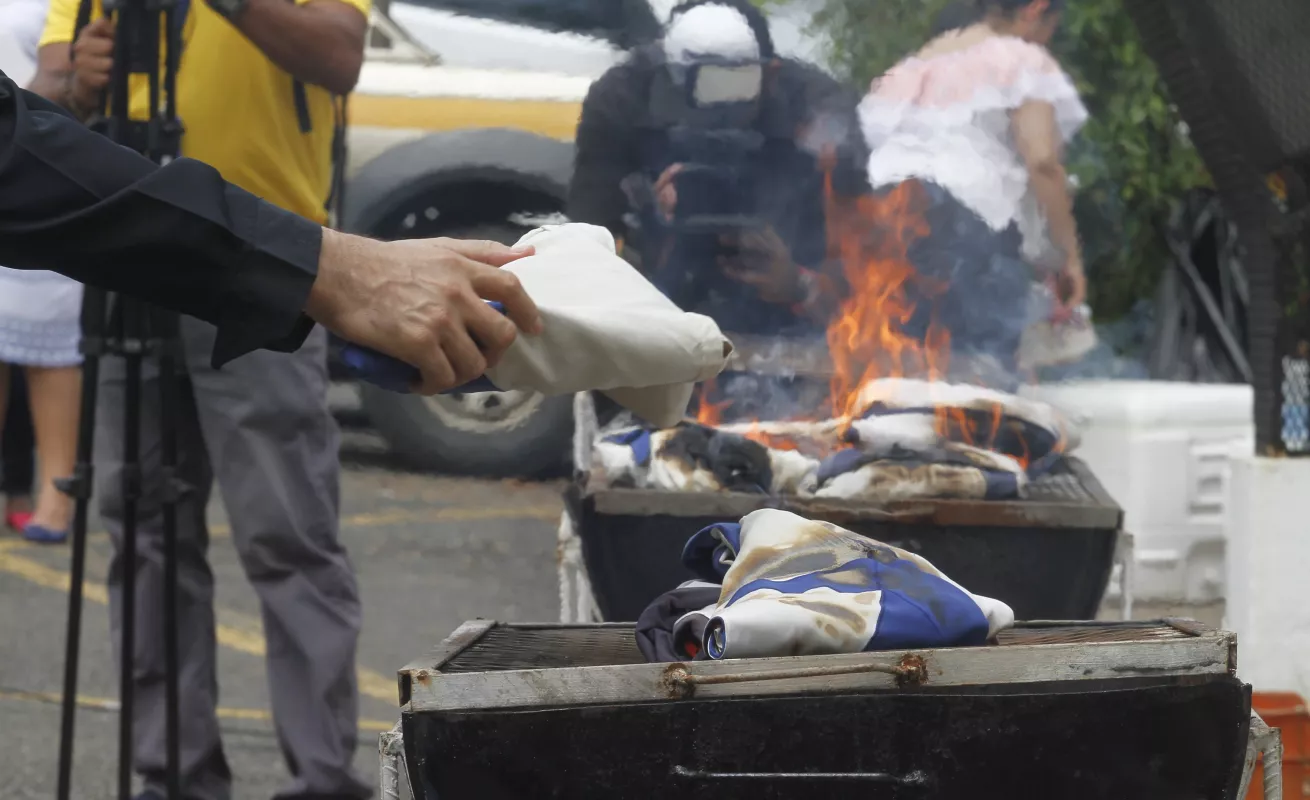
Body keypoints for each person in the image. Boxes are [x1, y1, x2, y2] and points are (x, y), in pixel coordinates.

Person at [28, 0, 515, 792]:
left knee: (287, 534)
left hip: (269, 272)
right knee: (142, 537)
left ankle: (322, 778)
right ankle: (170, 775)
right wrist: (77, 81)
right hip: (128, 270)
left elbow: (341, 54)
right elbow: (39, 103)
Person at [0, 70, 540, 388]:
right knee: (129, 514)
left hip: (239, 260)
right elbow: (20, 146)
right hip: (187, 262)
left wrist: (322, 264)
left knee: (283, 520)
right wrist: (331, 267)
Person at [568, 0, 868, 341]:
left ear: (770, 75)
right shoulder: (622, 101)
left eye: (738, 109)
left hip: (788, 329)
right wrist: (651, 222)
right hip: (654, 312)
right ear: (668, 80)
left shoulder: (820, 118)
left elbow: (872, 278)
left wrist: (798, 283)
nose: (723, 122)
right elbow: (584, 251)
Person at [859, 0, 1088, 381]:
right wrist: (1070, 259)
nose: (1048, 40)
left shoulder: (911, 68)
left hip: (884, 225)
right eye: (1052, 28)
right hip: (966, 229)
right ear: (1036, 10)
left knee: (902, 372)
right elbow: (1043, 162)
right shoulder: (1020, 61)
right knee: (982, 378)